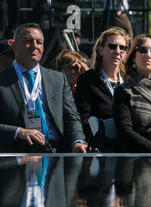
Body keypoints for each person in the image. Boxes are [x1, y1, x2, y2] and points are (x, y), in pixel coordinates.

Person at [0, 23, 86, 153]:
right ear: (14, 46)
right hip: (18, 154)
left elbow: (71, 118)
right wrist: (18, 132)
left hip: (58, 154)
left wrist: (77, 141)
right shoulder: (2, 81)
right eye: (28, 41)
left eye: (39, 42)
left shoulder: (58, 79)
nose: (35, 46)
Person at [74, 28, 129, 139]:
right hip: (101, 146)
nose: (118, 51)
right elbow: (83, 119)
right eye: (112, 46)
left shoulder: (130, 80)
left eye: (122, 47)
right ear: (100, 50)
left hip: (128, 144)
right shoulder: (87, 80)